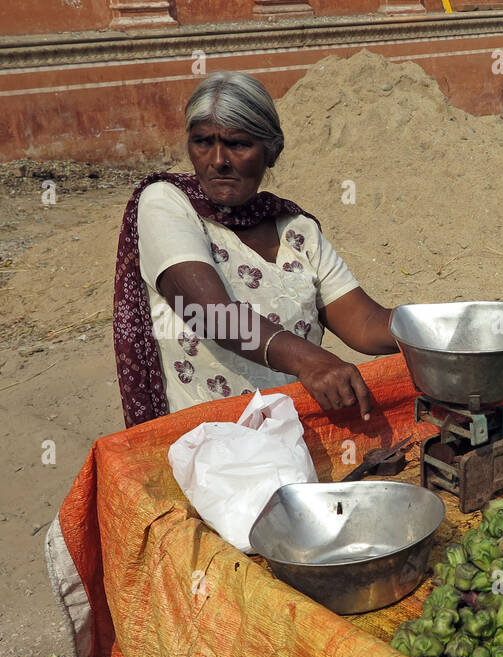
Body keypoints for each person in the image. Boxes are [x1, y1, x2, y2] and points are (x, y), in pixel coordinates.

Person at [113, 71, 397, 428]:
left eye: (237, 144)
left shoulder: (296, 229)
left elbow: (365, 323)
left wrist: (444, 329)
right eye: (203, 142)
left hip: (294, 438)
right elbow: (210, 312)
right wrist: (311, 361)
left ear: (271, 152)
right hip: (209, 448)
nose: (218, 160)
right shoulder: (167, 203)